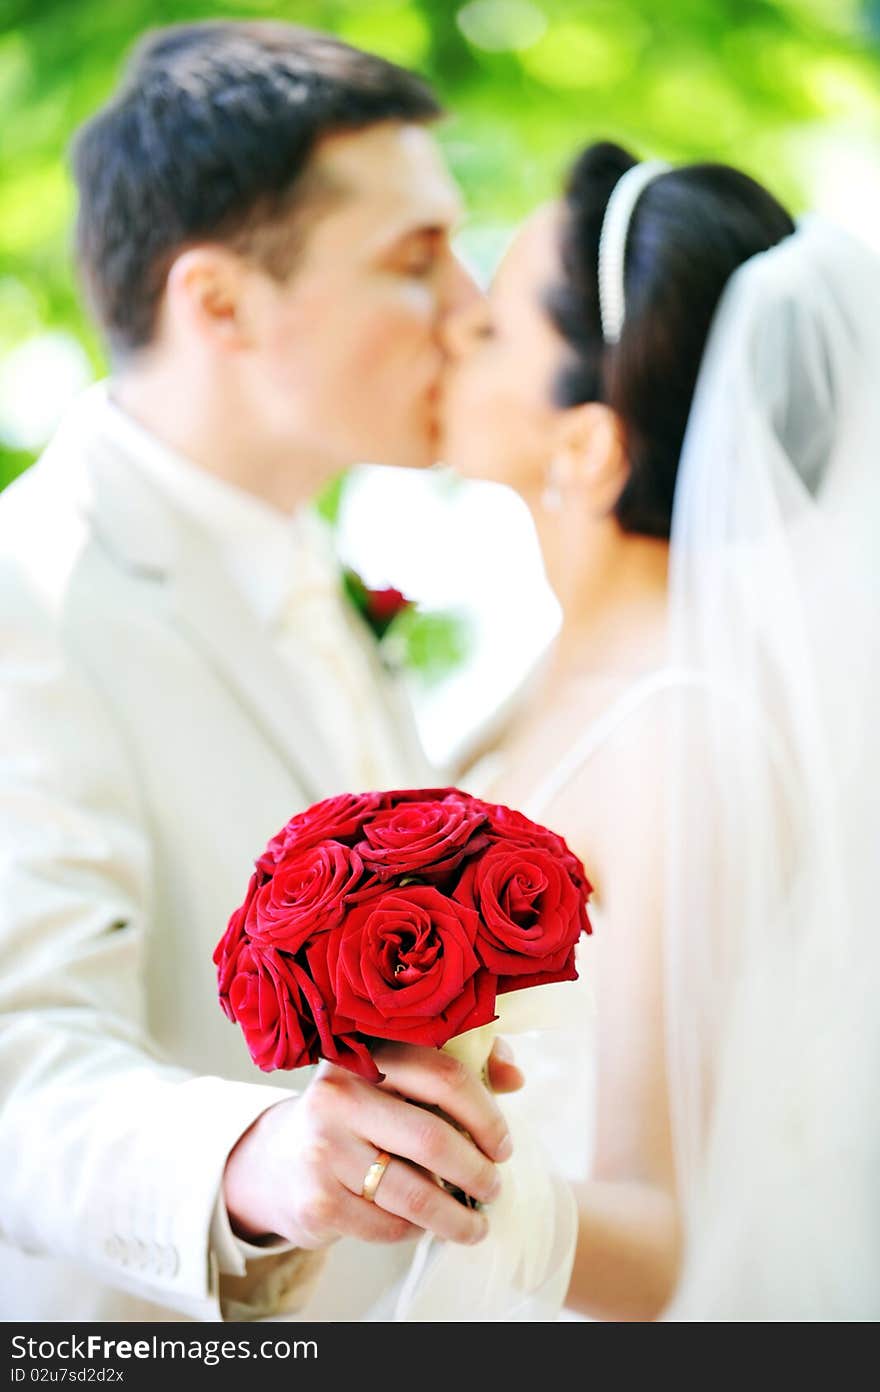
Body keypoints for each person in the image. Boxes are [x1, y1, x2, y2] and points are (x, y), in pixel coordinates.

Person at [0, 21, 523, 1323]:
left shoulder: (312, 564)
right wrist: (252, 1162)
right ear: (221, 302)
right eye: (418, 259)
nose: (473, 308)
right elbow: (21, 1064)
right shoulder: (29, 592)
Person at [442, 140, 880, 1319]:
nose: (447, 331)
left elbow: (664, 1244)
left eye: (489, 331)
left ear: (584, 443)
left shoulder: (680, 741)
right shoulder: (550, 670)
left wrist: (420, 1180)